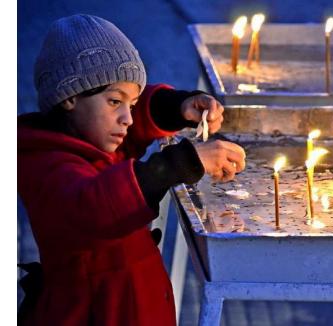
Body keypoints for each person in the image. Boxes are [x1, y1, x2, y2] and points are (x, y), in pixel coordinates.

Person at [17, 14, 246, 326]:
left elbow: (136, 120)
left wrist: (178, 106)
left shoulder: (95, 135)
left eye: (133, 103)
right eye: (115, 102)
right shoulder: (45, 161)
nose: (126, 117)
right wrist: (181, 163)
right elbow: (94, 206)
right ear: (69, 97)